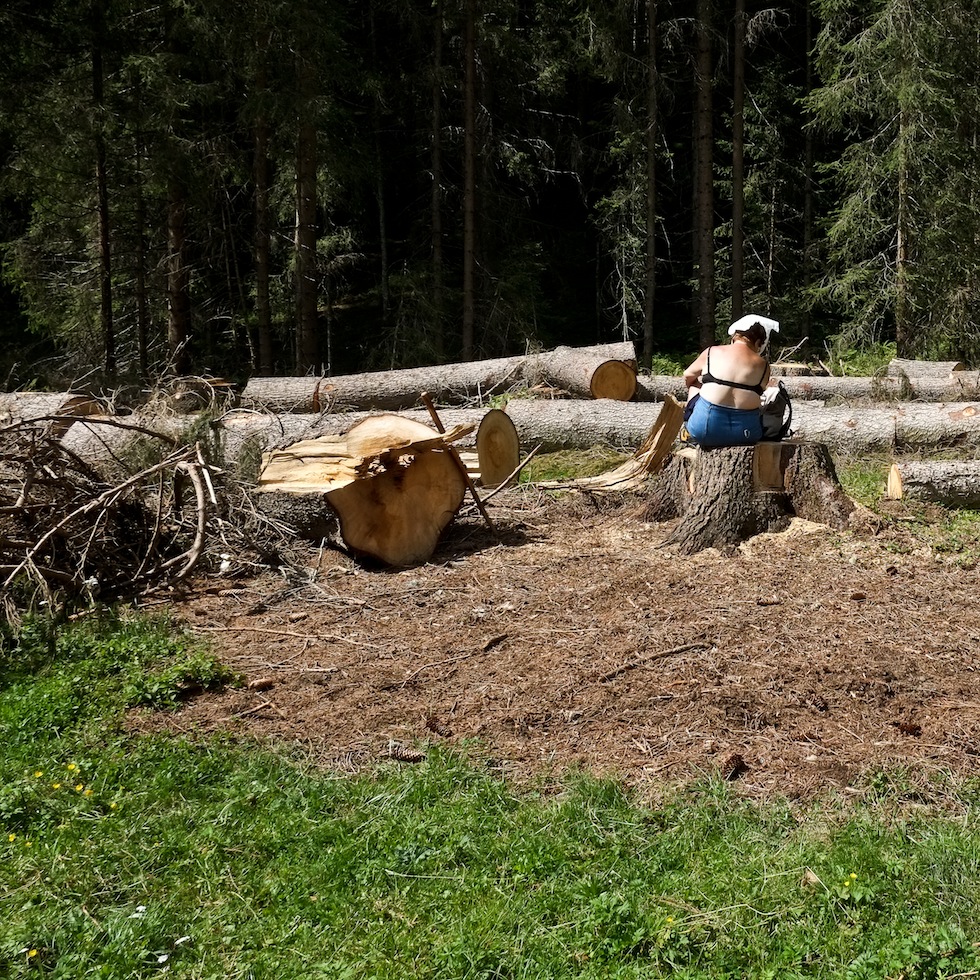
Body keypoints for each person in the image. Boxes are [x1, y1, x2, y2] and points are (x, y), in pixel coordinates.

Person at [681, 314, 779, 447]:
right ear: (757, 343)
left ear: (734, 337)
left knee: (694, 384)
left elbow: (687, 375)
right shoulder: (764, 366)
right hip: (746, 434)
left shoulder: (711, 351)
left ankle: (688, 427)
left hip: (705, 430)